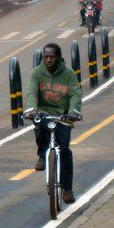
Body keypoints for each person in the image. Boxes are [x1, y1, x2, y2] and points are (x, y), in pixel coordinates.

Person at [25, 43, 83, 204]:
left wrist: (73, 112)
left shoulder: (69, 74)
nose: (48, 59)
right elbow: (32, 92)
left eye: (51, 56)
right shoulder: (37, 73)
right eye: (46, 56)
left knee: (64, 149)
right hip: (44, 113)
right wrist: (32, 110)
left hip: (63, 117)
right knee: (40, 128)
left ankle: (67, 189)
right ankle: (42, 156)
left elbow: (76, 94)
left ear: (58, 57)